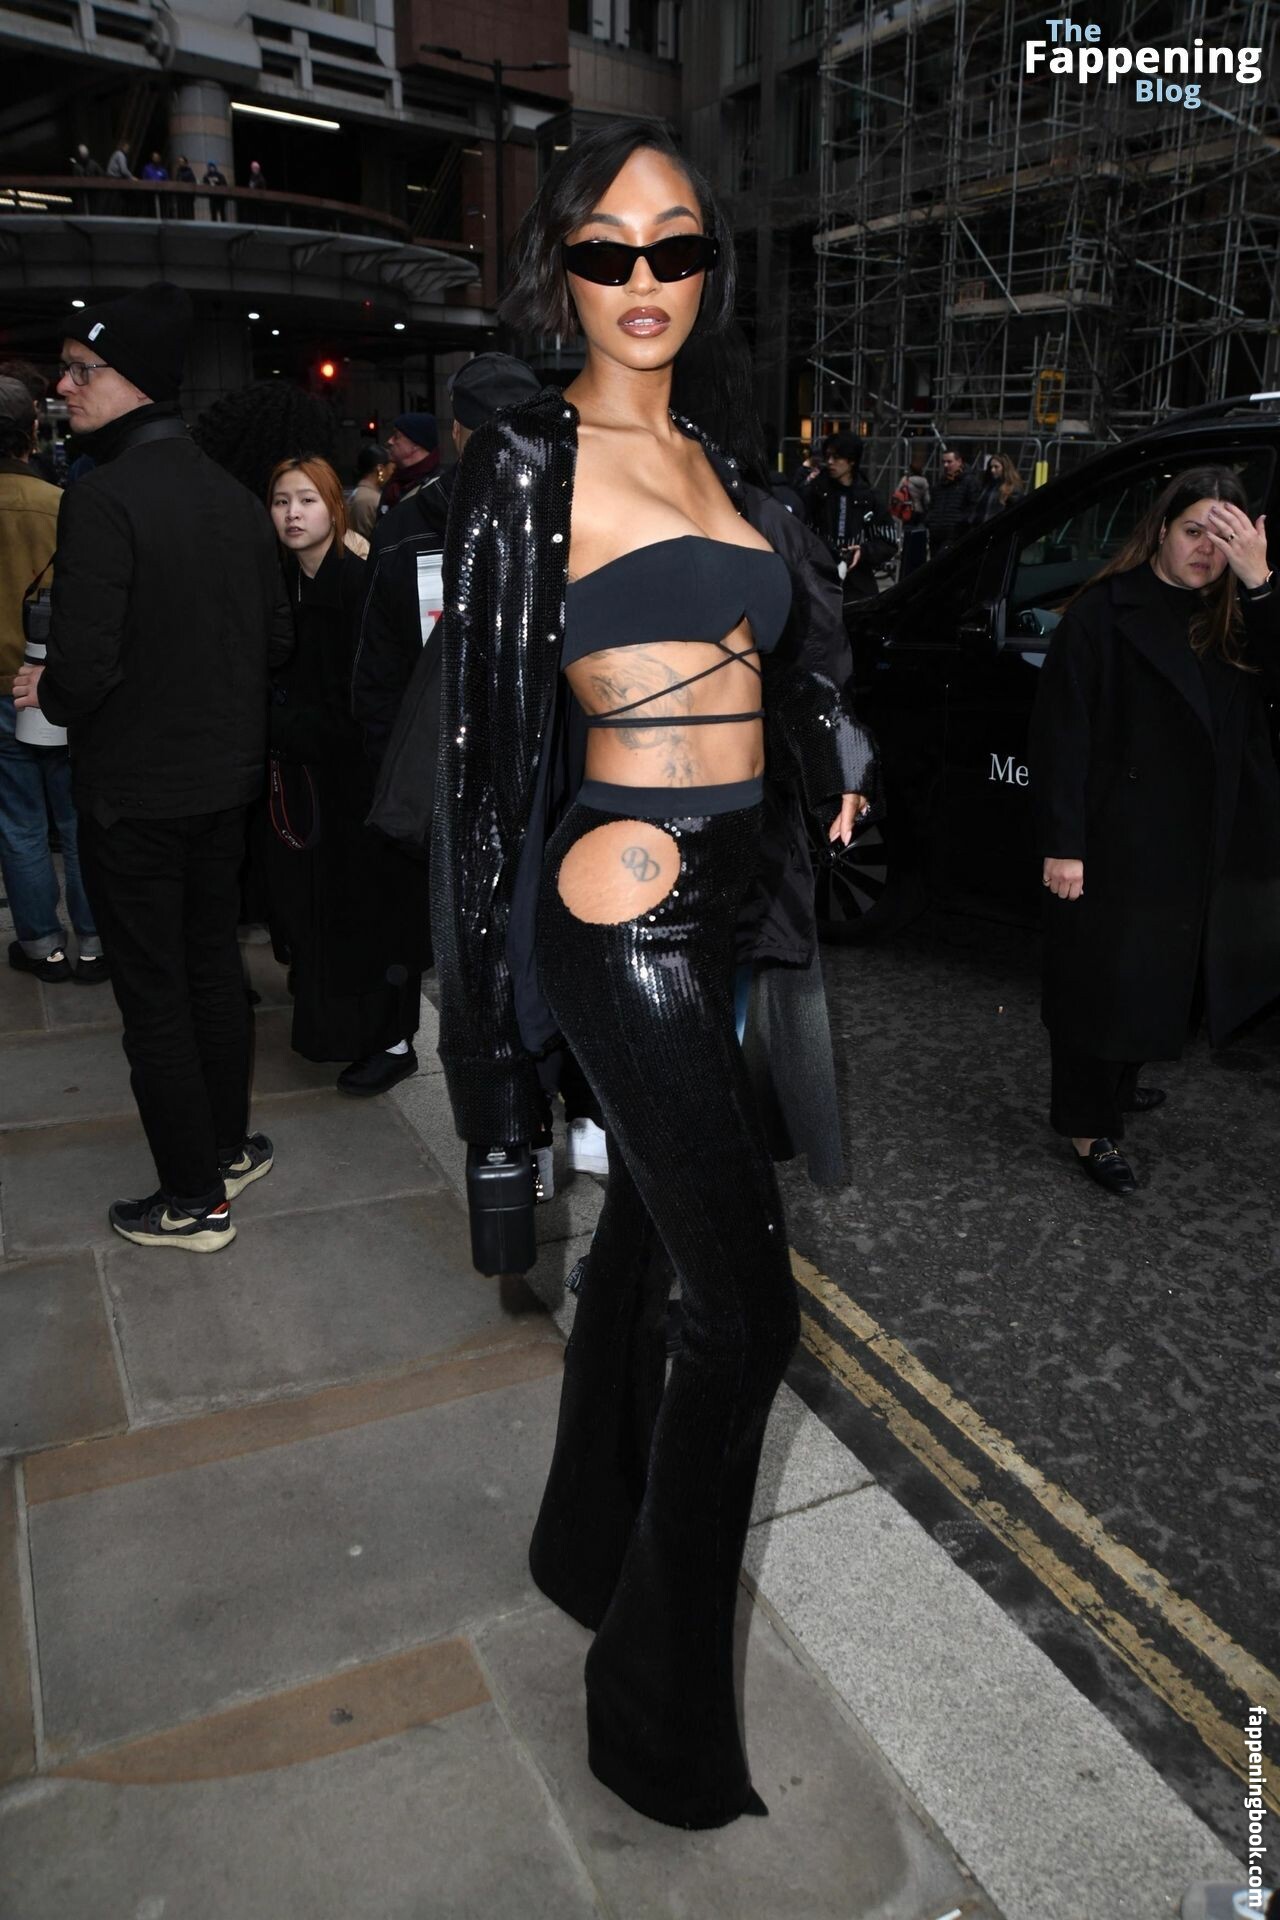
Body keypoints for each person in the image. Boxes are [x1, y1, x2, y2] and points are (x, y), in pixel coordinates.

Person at [432, 119, 873, 1828]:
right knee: (747, 1315)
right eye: (606, 249)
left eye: (674, 246)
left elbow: (783, 656)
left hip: (742, 897)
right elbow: (483, 777)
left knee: (650, 1235)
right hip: (628, 909)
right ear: (561, 265)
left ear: (709, 269)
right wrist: (491, 1105)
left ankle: (582, 1538)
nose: (642, 279)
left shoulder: (715, 454)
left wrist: (827, 753)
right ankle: (653, 1716)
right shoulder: (521, 467)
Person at [12, 284, 293, 1252]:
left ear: (131, 380)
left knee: (155, 995)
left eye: (79, 370)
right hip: (223, 783)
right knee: (212, 968)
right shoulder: (234, 496)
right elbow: (274, 642)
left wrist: (46, 690)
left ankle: (193, 1200)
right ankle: (227, 1147)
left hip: (135, 793)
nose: (64, 387)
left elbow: (85, 669)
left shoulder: (106, 497)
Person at [1030, 465, 1278, 1195]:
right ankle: (1087, 1124)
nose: (1206, 550)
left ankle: (1120, 1078)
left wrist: (1261, 583)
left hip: (1198, 838)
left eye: (1223, 538)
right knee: (1097, 985)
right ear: (1161, 529)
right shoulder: (1103, 614)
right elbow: (1061, 736)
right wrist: (1064, 844)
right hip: (1115, 837)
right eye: (1194, 530)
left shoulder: (1235, 615)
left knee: (1157, 976)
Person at [263, 456, 427, 1093]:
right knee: (320, 911)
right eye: (281, 501)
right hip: (307, 783)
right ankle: (346, 1029)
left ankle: (393, 1041)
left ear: (334, 508)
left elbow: (372, 695)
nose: (293, 514)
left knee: (373, 913)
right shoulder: (281, 584)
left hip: (363, 781)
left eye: (307, 500)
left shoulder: (361, 585)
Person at [0, 376, 105, 985]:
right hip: (55, 682)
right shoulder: (62, 505)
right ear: (33, 432)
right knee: (76, 816)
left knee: (17, 821)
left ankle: (41, 945)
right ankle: (93, 941)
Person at [804, 430, 895, 601]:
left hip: (858, 582)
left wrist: (863, 551)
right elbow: (802, 531)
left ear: (851, 461)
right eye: (828, 456)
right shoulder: (815, 492)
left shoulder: (869, 498)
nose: (830, 462)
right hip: (819, 579)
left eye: (837, 457)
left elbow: (888, 541)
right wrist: (827, 550)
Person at [379, 412, 438, 513]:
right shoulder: (393, 484)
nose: (390, 441)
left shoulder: (436, 489)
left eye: (396, 436)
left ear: (415, 445)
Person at [927, 445, 982, 551]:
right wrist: (930, 521)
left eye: (949, 462)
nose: (946, 465)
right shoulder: (940, 484)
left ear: (959, 461)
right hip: (936, 535)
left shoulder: (969, 482)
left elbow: (974, 507)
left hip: (956, 535)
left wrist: (962, 524)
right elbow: (932, 505)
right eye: (943, 462)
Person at [345, 442, 392, 540]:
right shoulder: (370, 499)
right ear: (380, 469)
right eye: (392, 469)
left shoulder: (362, 494)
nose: (392, 473)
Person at [890, 468, 930, 577]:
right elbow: (927, 500)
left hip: (908, 514)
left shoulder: (906, 480)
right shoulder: (924, 482)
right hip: (920, 515)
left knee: (907, 544)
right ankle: (918, 571)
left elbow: (897, 495)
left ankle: (905, 571)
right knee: (920, 545)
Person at [978, 450, 1024, 521]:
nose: (992, 470)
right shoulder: (988, 485)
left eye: (996, 467)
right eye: (991, 467)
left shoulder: (1014, 488)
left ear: (1005, 468)